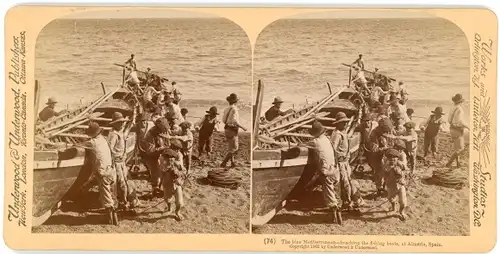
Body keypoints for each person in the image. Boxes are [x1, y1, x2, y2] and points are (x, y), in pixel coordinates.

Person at [304, 121, 342, 224]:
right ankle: (339, 216)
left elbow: (301, 145)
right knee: (336, 192)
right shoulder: (327, 139)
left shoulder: (315, 142)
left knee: (329, 194)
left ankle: (334, 218)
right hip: (335, 169)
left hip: (326, 172)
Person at [80, 122, 118, 225]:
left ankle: (110, 220)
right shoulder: (104, 139)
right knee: (112, 194)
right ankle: (115, 219)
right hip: (111, 170)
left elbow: (78, 145)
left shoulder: (92, 142)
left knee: (106, 196)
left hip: (103, 173)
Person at [330, 112, 363, 211]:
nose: (345, 124)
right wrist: (336, 163)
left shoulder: (343, 132)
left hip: (345, 162)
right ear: (337, 124)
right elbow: (333, 150)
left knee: (349, 181)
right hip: (340, 162)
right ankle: (348, 202)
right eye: (342, 122)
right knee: (345, 183)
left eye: (345, 122)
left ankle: (351, 201)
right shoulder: (337, 135)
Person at [108, 112, 134, 211]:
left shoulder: (120, 132)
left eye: (122, 122)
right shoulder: (113, 135)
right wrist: (116, 158)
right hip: (117, 162)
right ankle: (122, 202)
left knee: (125, 182)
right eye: (119, 123)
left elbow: (127, 128)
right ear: (114, 124)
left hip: (122, 161)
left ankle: (125, 201)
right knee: (121, 183)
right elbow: (110, 149)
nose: (121, 124)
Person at [141, 118, 170, 198]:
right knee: (155, 174)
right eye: (162, 128)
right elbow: (150, 150)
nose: (164, 130)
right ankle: (155, 190)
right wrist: (163, 148)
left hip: (161, 155)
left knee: (163, 173)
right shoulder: (150, 135)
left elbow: (167, 140)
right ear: (158, 127)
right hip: (151, 156)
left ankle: (160, 188)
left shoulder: (164, 131)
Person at [158, 139, 185, 221]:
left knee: (180, 202)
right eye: (176, 149)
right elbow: (161, 169)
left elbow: (182, 168)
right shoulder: (163, 156)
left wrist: (179, 169)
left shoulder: (179, 155)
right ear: (172, 147)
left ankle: (177, 212)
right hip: (167, 181)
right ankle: (169, 207)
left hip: (177, 182)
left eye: (178, 149)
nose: (178, 151)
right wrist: (168, 168)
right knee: (167, 198)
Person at [221, 93, 247, 168]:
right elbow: (235, 121)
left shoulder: (226, 109)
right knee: (235, 148)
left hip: (226, 129)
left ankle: (232, 163)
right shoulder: (234, 109)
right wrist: (243, 127)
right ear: (236, 102)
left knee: (230, 147)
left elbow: (223, 120)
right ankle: (224, 162)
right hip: (232, 130)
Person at [383, 148, 409, 221]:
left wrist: (401, 173)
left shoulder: (401, 164)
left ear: (397, 158)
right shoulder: (386, 166)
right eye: (390, 159)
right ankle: (394, 207)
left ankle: (402, 212)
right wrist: (389, 170)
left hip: (400, 185)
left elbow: (407, 171)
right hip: (391, 185)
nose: (392, 160)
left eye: (394, 159)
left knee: (403, 202)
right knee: (391, 199)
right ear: (387, 159)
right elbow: (384, 175)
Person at [446, 93, 469, 168]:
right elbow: (460, 121)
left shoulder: (453, 108)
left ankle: (458, 164)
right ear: (461, 102)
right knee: (461, 148)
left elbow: (449, 120)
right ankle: (449, 163)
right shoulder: (459, 109)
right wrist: (468, 126)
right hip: (457, 130)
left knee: (457, 148)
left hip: (452, 129)